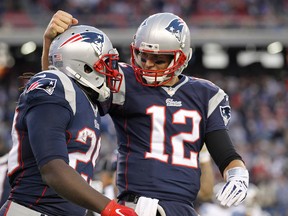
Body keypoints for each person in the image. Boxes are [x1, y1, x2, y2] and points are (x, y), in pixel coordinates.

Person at [42, 11, 249, 216]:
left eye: (158, 59)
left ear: (182, 57)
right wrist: (51, 45)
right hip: (137, 205)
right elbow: (60, 91)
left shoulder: (206, 94)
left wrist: (237, 174)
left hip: (184, 208)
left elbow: (226, 154)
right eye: (143, 55)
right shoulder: (124, 80)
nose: (148, 64)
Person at [0, 25, 137, 216]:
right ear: (85, 65)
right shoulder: (53, 83)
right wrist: (110, 208)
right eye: (105, 64)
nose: (110, 72)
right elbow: (52, 168)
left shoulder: (85, 100)